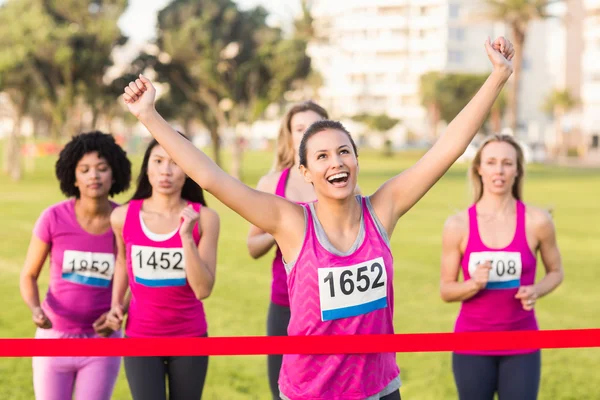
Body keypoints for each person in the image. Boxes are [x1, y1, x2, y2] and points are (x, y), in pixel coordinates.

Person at [121, 36, 514, 400]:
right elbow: (211, 178)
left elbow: (447, 148)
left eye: (344, 152)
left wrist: (498, 76)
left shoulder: (382, 210)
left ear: (356, 160)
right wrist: (149, 116)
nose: (336, 162)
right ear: (305, 172)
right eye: (322, 156)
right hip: (312, 390)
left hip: (379, 388)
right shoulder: (291, 222)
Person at [439, 134, 564, 400]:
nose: (499, 170)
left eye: (507, 163)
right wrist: (474, 283)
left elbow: (556, 272)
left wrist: (536, 290)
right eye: (492, 162)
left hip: (522, 342)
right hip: (471, 343)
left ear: (517, 170)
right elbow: (446, 290)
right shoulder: (457, 225)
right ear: (478, 169)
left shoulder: (538, 221)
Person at [19, 131, 132, 400]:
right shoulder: (53, 218)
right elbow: (28, 275)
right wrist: (36, 309)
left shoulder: (124, 221)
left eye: (102, 169)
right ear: (73, 176)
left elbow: (134, 280)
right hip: (54, 339)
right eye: (85, 169)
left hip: (102, 343)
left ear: (114, 174)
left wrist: (118, 310)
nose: (94, 176)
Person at [107, 135, 220, 400]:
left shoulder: (205, 219)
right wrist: (116, 304)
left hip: (190, 337)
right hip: (140, 337)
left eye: (175, 162)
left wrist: (186, 237)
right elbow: (123, 262)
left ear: (188, 170)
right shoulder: (122, 216)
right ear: (147, 168)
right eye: (158, 161)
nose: (166, 170)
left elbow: (203, 289)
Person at [246, 101, 328, 399]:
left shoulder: (340, 182)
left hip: (334, 308)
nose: (307, 134)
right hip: (285, 305)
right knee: (282, 391)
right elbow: (252, 247)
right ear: (289, 136)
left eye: (315, 127)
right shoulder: (271, 184)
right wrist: (278, 230)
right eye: (299, 128)